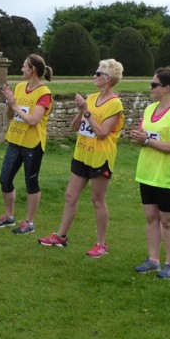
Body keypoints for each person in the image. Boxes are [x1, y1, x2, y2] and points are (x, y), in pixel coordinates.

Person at [38, 59, 125, 255]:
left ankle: (101, 244)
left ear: (109, 79)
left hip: (100, 157)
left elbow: (102, 132)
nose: (94, 76)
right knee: (70, 195)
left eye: (98, 73)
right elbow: (74, 128)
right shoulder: (92, 98)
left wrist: (87, 112)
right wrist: (81, 113)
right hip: (82, 154)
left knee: (97, 199)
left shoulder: (115, 104)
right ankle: (60, 236)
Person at [129, 67, 170, 279]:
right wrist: (140, 139)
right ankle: (153, 259)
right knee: (150, 217)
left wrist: (147, 140)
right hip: (147, 173)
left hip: (169, 175)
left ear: (167, 88)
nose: (151, 88)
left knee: (167, 220)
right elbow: (145, 136)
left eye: (154, 84)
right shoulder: (149, 110)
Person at [0, 54, 53, 234]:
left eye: (24, 66)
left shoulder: (44, 93)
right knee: (5, 179)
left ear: (32, 69)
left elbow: (34, 120)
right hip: (15, 140)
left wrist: (15, 105)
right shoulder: (19, 87)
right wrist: (10, 105)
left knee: (31, 182)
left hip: (33, 143)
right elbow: (10, 116)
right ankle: (9, 217)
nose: (21, 69)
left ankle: (29, 222)